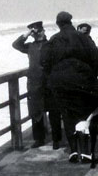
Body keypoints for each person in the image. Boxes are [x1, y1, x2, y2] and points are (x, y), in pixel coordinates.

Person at [41, 12, 98, 163]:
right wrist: (91, 76)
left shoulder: (54, 39)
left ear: (58, 24)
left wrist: (54, 76)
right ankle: (86, 151)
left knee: (67, 114)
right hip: (82, 80)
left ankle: (73, 150)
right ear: (71, 22)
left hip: (60, 83)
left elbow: (44, 61)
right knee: (85, 112)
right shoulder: (84, 38)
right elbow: (96, 59)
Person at [12, 21, 62, 149]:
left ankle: (56, 139)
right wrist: (28, 33)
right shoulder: (29, 46)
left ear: (44, 31)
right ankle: (39, 139)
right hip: (34, 84)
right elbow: (16, 45)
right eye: (36, 32)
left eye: (40, 30)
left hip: (49, 83)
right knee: (36, 112)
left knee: (54, 112)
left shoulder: (51, 45)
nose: (39, 33)